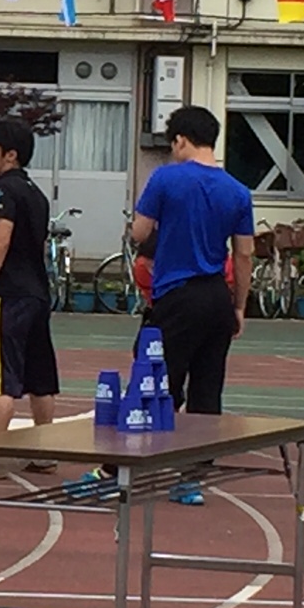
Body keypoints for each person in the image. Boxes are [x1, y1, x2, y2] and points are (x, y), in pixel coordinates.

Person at [130, 105, 254, 415]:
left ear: (181, 140)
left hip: (177, 294)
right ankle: (203, 446)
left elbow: (140, 232)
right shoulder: (239, 191)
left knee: (158, 385)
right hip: (217, 296)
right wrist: (239, 306)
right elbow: (244, 254)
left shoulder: (165, 178)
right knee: (207, 392)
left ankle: (152, 441)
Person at [0, 119, 61, 460]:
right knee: (40, 378)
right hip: (37, 293)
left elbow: (0, 240)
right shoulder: (37, 194)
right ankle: (44, 454)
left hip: (8, 295)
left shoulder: (2, 191)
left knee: (1, 379)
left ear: (11, 155)